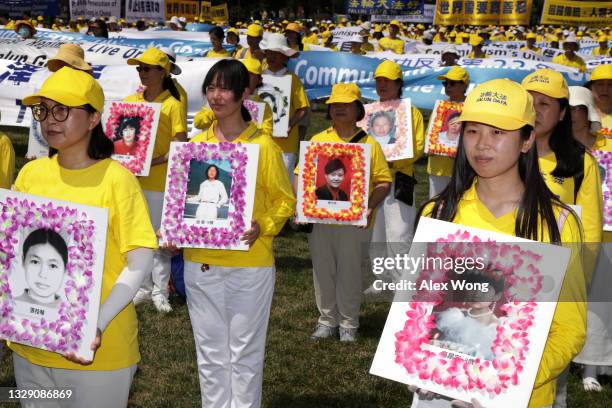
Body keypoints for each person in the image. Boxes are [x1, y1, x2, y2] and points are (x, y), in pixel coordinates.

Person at [412, 78, 586, 408]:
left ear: (527, 140)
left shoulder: (556, 223)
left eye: (498, 132)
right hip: (439, 393)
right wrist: (416, 362)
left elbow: (569, 330)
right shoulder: (439, 213)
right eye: (473, 130)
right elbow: (419, 308)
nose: (482, 144)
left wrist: (505, 382)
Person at [10, 66, 157, 407]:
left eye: (62, 109)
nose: (50, 119)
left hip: (97, 351)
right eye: (43, 110)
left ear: (93, 119)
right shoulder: (32, 173)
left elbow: (140, 258)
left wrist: (97, 322)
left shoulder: (116, 180)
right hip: (30, 344)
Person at [178, 59, 295, 408]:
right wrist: (174, 227)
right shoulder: (196, 147)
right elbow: (184, 202)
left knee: (244, 354)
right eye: (211, 88)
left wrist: (264, 226)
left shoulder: (263, 146)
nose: (216, 96)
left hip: (250, 264)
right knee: (210, 354)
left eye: (225, 88)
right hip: (200, 264)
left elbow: (284, 202)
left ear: (244, 92)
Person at [295, 83, 392, 342]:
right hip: (320, 220)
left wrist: (369, 205)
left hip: (355, 223)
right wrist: (300, 204)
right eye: (334, 105)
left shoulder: (369, 143)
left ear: (357, 109)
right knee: (323, 270)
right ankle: (327, 320)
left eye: (345, 105)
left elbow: (384, 182)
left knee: (350, 271)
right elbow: (299, 176)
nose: (338, 109)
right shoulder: (318, 140)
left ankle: (349, 322)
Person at [126, 48, 188, 313]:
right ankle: (142, 287)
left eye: (147, 68)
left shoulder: (172, 104)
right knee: (138, 237)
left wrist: (153, 162)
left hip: (160, 181)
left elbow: (180, 143)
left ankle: (160, 290)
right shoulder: (131, 101)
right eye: (139, 68)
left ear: (162, 72)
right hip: (132, 181)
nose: (142, 73)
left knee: (161, 239)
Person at [521, 69, 602, 245]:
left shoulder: (582, 162)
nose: (535, 110)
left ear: (562, 113)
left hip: (553, 268)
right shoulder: (499, 150)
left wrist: (577, 272)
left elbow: (589, 233)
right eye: (529, 102)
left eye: (544, 104)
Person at [569, 86, 612, 394]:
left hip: (605, 231)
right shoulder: (553, 150)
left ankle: (592, 366)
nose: (572, 115)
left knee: (598, 301)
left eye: (577, 108)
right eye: (567, 108)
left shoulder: (607, 148)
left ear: (588, 112)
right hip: (565, 234)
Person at [369, 59, 425, 254]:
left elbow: (418, 147)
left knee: (399, 234)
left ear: (399, 84)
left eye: (388, 81)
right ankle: (380, 282)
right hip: (372, 182)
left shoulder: (411, 112)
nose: (382, 85)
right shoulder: (368, 112)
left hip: (399, 180)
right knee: (374, 236)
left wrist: (395, 160)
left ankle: (400, 283)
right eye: (379, 80)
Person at [261, 34, 310, 183]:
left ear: (284, 57)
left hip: (285, 145)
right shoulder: (259, 77)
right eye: (269, 52)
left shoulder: (293, 79)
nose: (271, 56)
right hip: (261, 141)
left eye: (276, 53)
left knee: (284, 183)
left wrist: (289, 125)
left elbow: (303, 108)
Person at [194, 58, 274, 136]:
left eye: (250, 75)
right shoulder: (217, 99)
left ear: (259, 80)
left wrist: (250, 132)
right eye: (242, 75)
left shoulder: (264, 105)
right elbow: (198, 122)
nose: (245, 78)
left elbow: (267, 132)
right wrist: (216, 112)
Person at [428, 66, 470, 198]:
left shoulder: (471, 107)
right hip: (437, 166)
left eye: (452, 83)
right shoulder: (440, 107)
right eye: (445, 83)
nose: (448, 86)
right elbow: (430, 133)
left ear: (464, 86)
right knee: (434, 205)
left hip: (460, 167)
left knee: (458, 205)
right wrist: (429, 146)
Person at [15, 228, 68, 308]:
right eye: (35, 262)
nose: (43, 274)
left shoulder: (72, 317)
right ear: (23, 261)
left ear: (65, 269)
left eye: (53, 266)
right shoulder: (7, 308)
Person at [586, 64, 612, 131]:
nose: (605, 89)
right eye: (600, 84)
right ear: (591, 87)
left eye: (610, 85)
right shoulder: (580, 114)